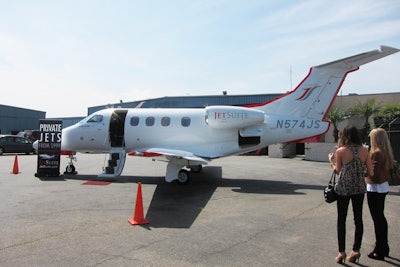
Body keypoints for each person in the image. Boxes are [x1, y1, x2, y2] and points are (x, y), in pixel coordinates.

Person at [328, 126, 373, 264]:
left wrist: (331, 160)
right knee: (358, 219)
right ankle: (356, 250)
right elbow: (370, 173)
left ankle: (341, 252)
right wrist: (359, 170)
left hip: (343, 189)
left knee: (341, 219)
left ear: (345, 136)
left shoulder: (341, 151)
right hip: (359, 189)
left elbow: (338, 170)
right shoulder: (365, 151)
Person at [365, 128, 394, 260]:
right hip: (382, 186)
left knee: (377, 219)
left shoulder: (376, 153)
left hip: (375, 187)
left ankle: (379, 248)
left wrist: (363, 167)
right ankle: (384, 246)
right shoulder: (385, 152)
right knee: (381, 218)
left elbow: (373, 173)